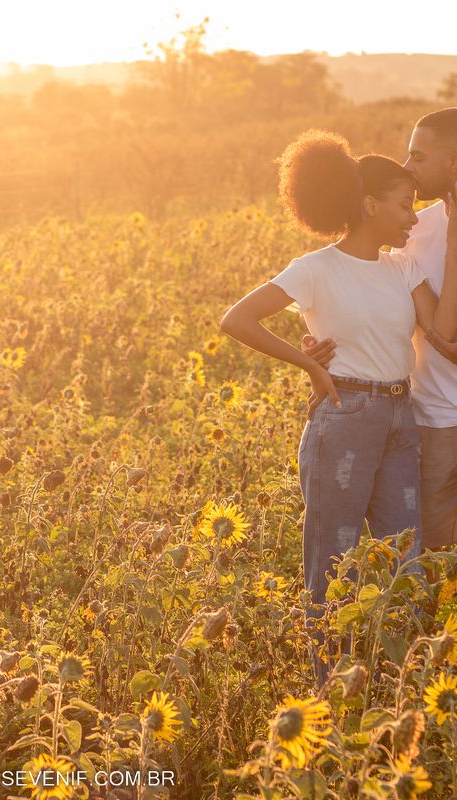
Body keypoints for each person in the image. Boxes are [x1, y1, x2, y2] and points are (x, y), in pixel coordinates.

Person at [219, 128, 457, 686]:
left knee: (408, 561)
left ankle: (401, 687)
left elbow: (444, 334)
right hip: (345, 418)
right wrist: (310, 365)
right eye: (405, 206)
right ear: (370, 205)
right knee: (332, 561)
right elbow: (238, 320)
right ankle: (328, 690)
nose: (413, 219)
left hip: (401, 417)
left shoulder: (402, 267)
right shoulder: (315, 268)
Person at [303, 108, 457, 554]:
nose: (407, 167)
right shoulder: (411, 231)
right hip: (432, 420)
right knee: (428, 562)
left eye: (418, 156)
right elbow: (364, 294)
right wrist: (320, 349)